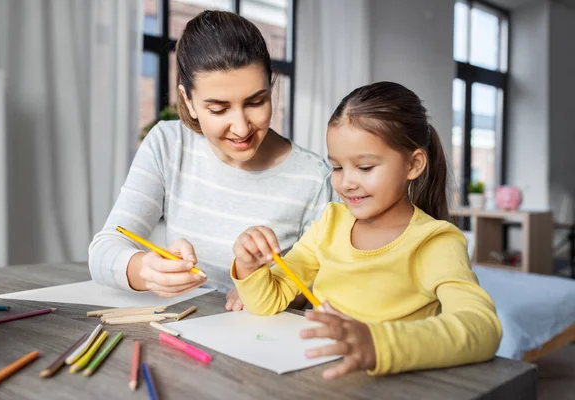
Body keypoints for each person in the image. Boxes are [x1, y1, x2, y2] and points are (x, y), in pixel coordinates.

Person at [231, 82, 502, 379]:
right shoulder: (330, 223)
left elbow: (482, 328)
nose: (346, 182)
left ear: (413, 164)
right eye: (336, 167)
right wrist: (250, 268)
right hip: (319, 377)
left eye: (365, 167)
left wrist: (377, 344)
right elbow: (268, 302)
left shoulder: (433, 242)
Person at [88, 10, 334, 304]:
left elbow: (318, 289)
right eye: (218, 109)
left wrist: (261, 287)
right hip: (181, 331)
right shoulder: (169, 144)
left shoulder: (313, 177)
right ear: (188, 101)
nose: (242, 128)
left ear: (271, 86)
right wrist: (146, 270)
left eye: (256, 102)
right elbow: (104, 249)